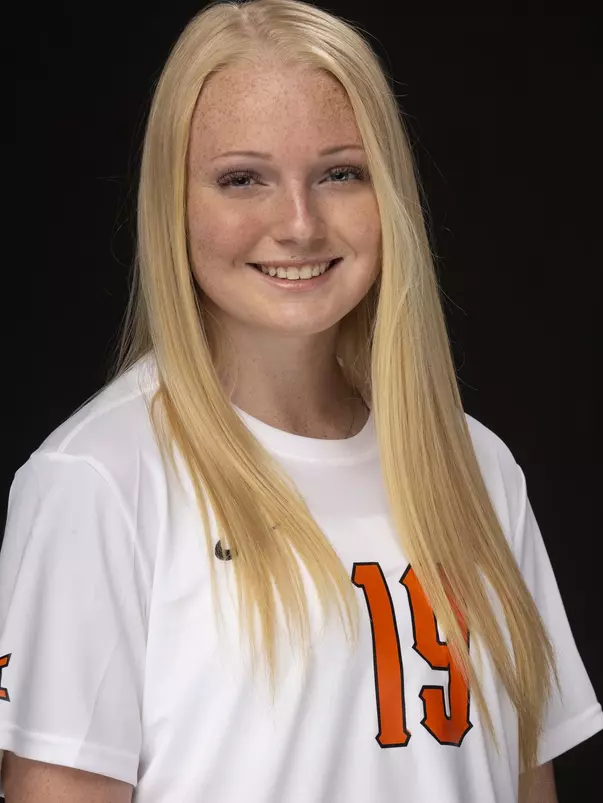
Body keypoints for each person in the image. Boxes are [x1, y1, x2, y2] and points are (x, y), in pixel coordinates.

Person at [1, 0, 601, 800]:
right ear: (173, 203)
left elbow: (527, 783)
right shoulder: (98, 480)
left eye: (339, 173)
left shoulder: (476, 468)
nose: (298, 223)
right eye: (241, 179)